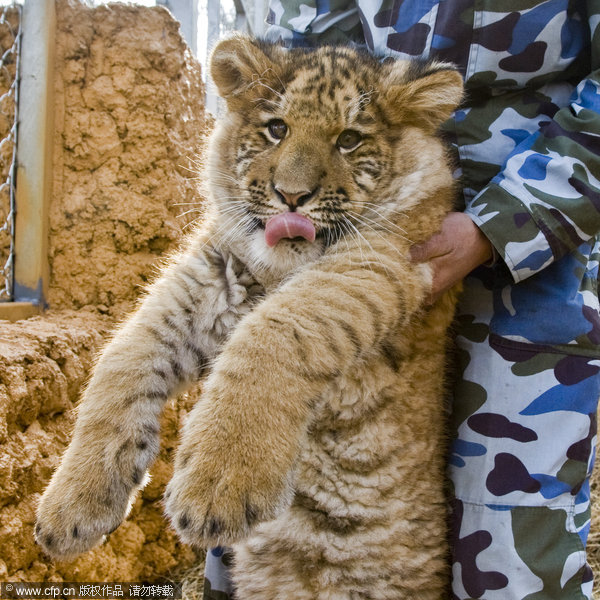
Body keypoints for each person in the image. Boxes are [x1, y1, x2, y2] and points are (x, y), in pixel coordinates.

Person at [203, 2, 600, 598]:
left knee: (510, 554)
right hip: (333, 232)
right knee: (247, 508)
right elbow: (283, 56)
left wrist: (504, 223)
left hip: (523, 252)